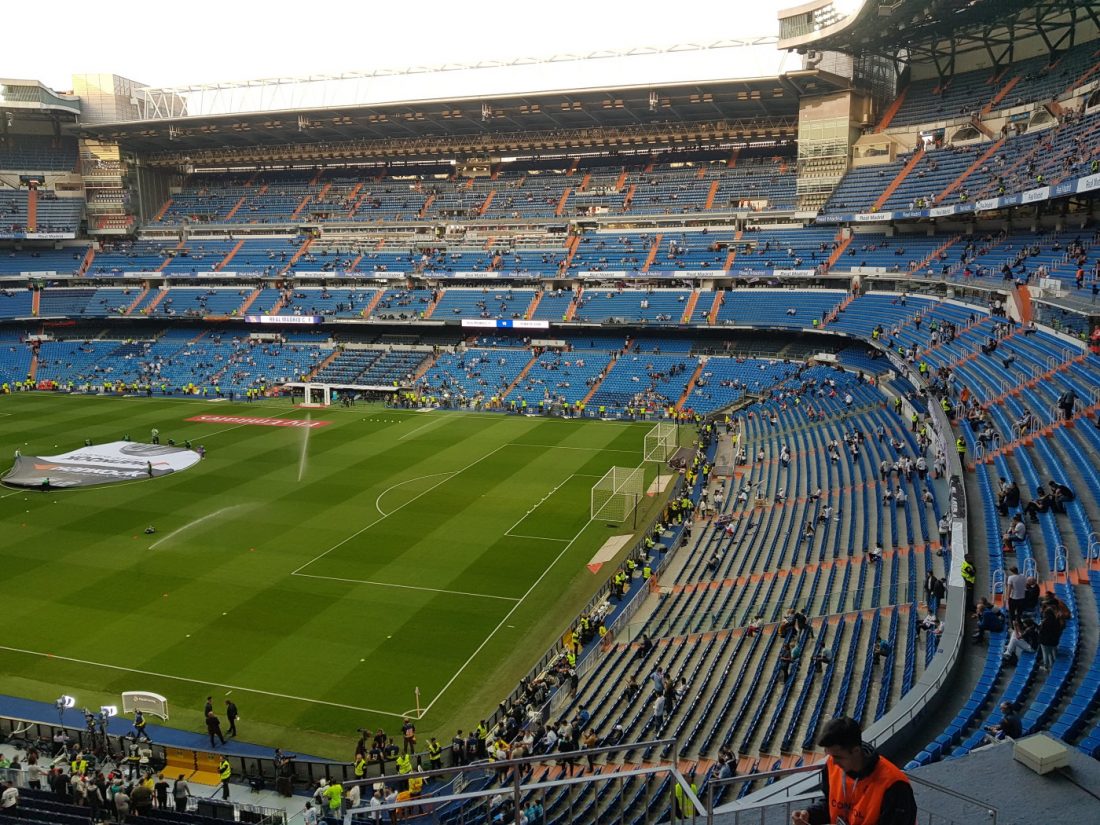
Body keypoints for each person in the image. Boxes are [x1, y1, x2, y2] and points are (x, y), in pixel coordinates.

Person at [790, 716, 916, 825]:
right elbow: (831, 804)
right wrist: (809, 815)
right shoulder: (832, 765)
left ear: (856, 751)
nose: (833, 762)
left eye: (838, 757)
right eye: (829, 755)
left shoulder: (895, 785)